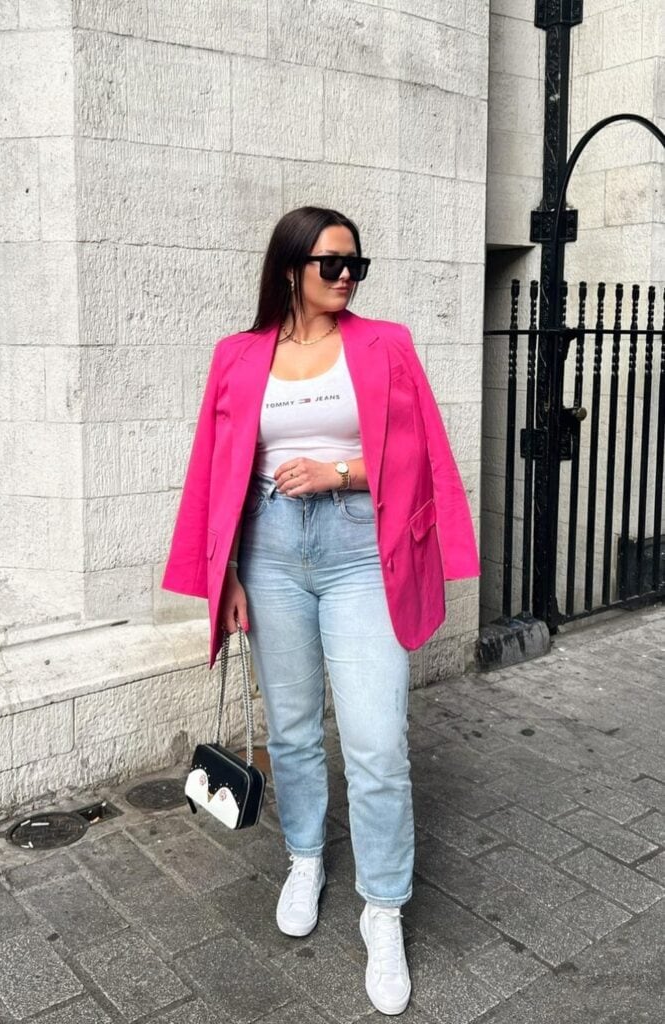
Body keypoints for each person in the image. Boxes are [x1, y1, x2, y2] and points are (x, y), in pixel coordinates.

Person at [161, 206, 480, 1016]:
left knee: (377, 742)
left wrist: (340, 476)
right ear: (289, 269)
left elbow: (419, 455)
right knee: (294, 729)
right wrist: (227, 571)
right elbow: (216, 465)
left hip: (360, 552)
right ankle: (304, 857)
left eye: (355, 265)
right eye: (331, 264)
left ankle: (383, 909)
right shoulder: (237, 357)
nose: (346, 278)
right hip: (268, 552)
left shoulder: (385, 345)